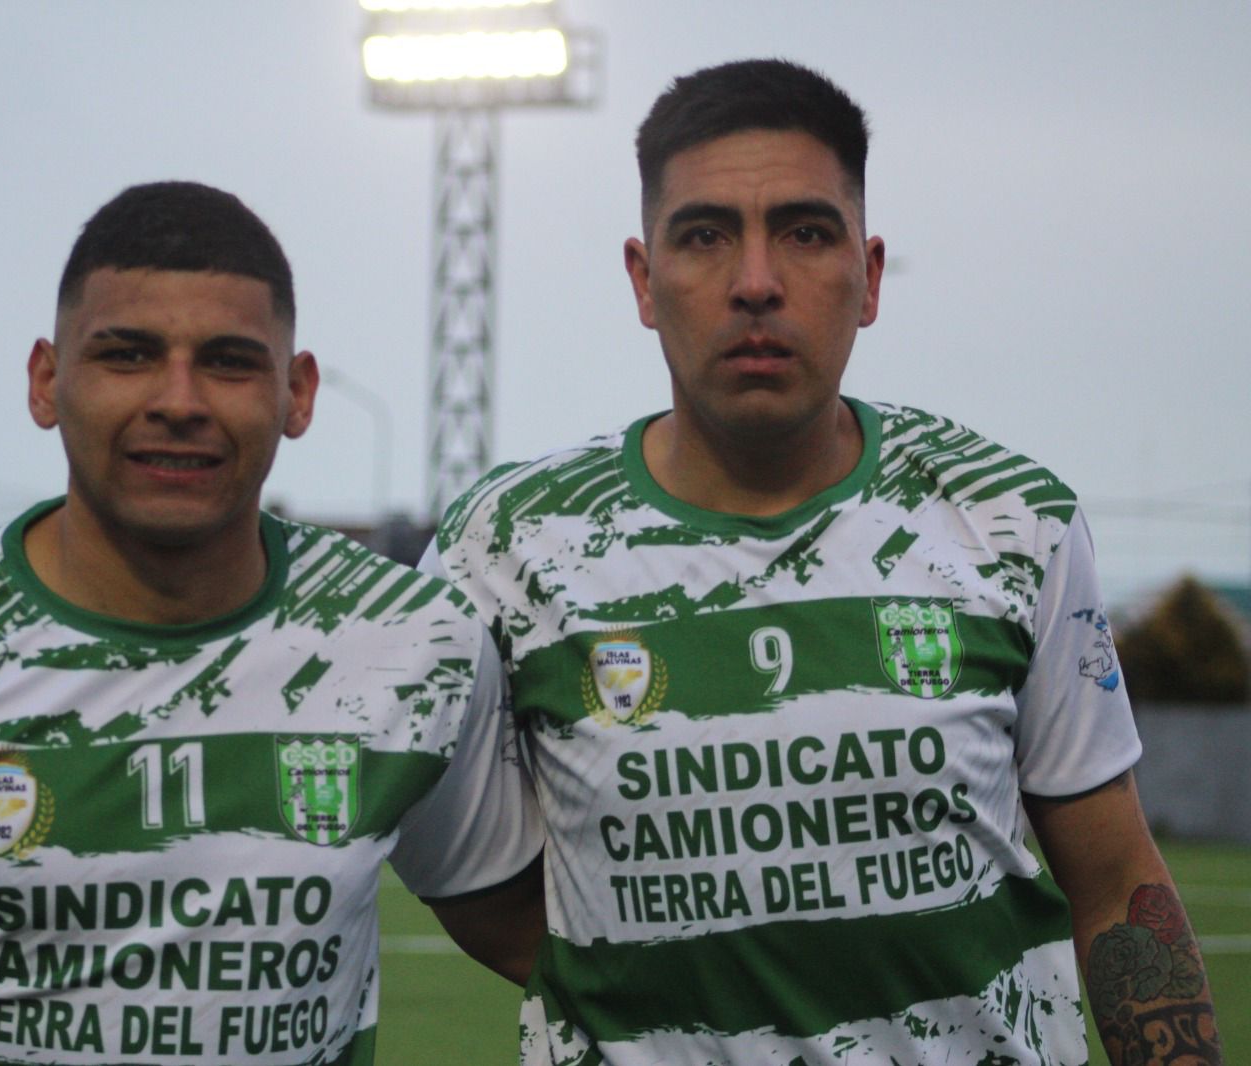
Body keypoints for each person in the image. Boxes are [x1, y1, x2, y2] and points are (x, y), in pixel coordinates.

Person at [423, 59, 1221, 1065]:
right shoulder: (504, 549)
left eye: (804, 232)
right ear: (643, 280)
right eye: (705, 235)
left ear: (870, 276)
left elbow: (1117, 888)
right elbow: (482, 892)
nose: (756, 282)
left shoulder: (1010, 519)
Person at [0, 181, 544, 1066]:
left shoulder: (415, 641)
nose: (179, 400)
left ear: (298, 393)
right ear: (47, 382)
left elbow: (541, 937)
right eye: (127, 355)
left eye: (229, 362)